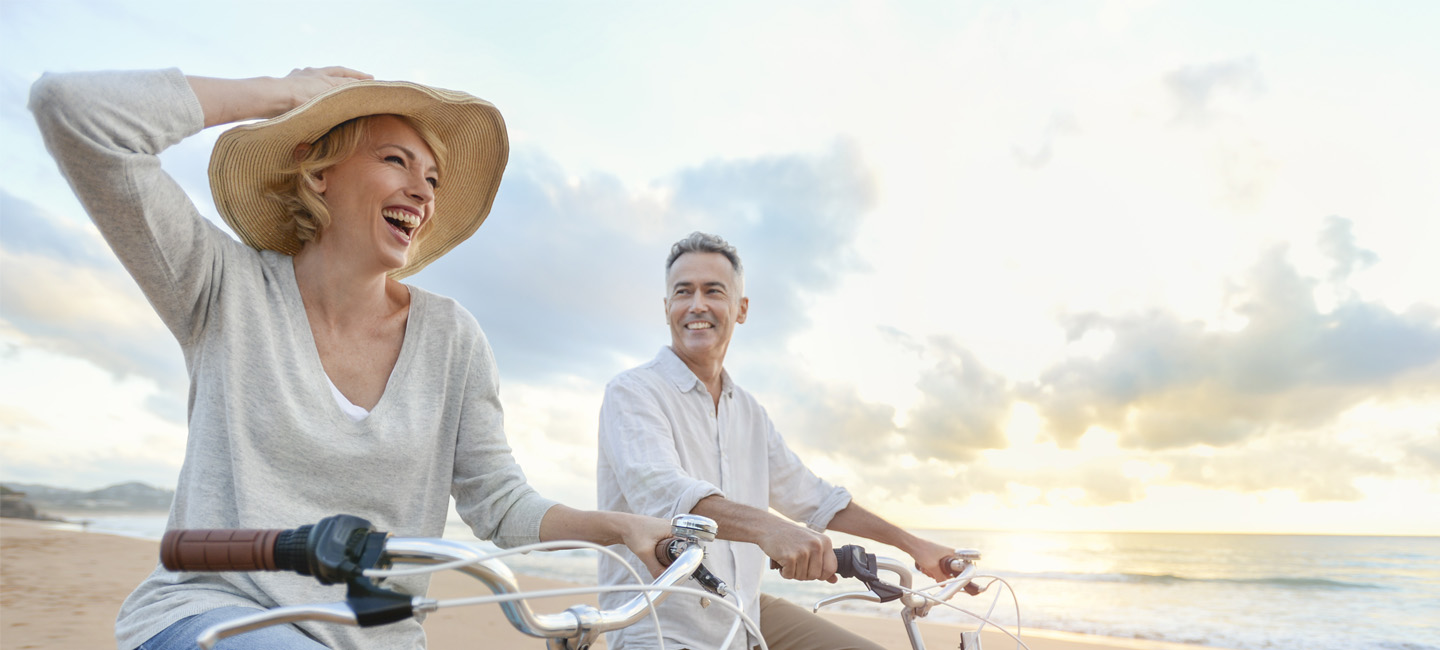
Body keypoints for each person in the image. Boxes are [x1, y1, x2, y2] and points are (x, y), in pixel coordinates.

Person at [29, 66, 671, 650]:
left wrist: (618, 527)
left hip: (377, 638)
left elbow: (499, 503)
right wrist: (282, 95)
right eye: (397, 160)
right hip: (215, 616)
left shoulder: (452, 338)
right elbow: (73, 110)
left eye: (433, 179)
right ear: (318, 173)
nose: (422, 190)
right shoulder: (222, 287)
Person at [596, 232, 964, 650]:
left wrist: (914, 545)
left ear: (741, 309)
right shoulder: (632, 392)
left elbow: (813, 496)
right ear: (667, 308)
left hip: (743, 614)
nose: (697, 304)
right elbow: (668, 498)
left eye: (713, 291)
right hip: (661, 628)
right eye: (683, 292)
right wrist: (772, 530)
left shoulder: (749, 411)